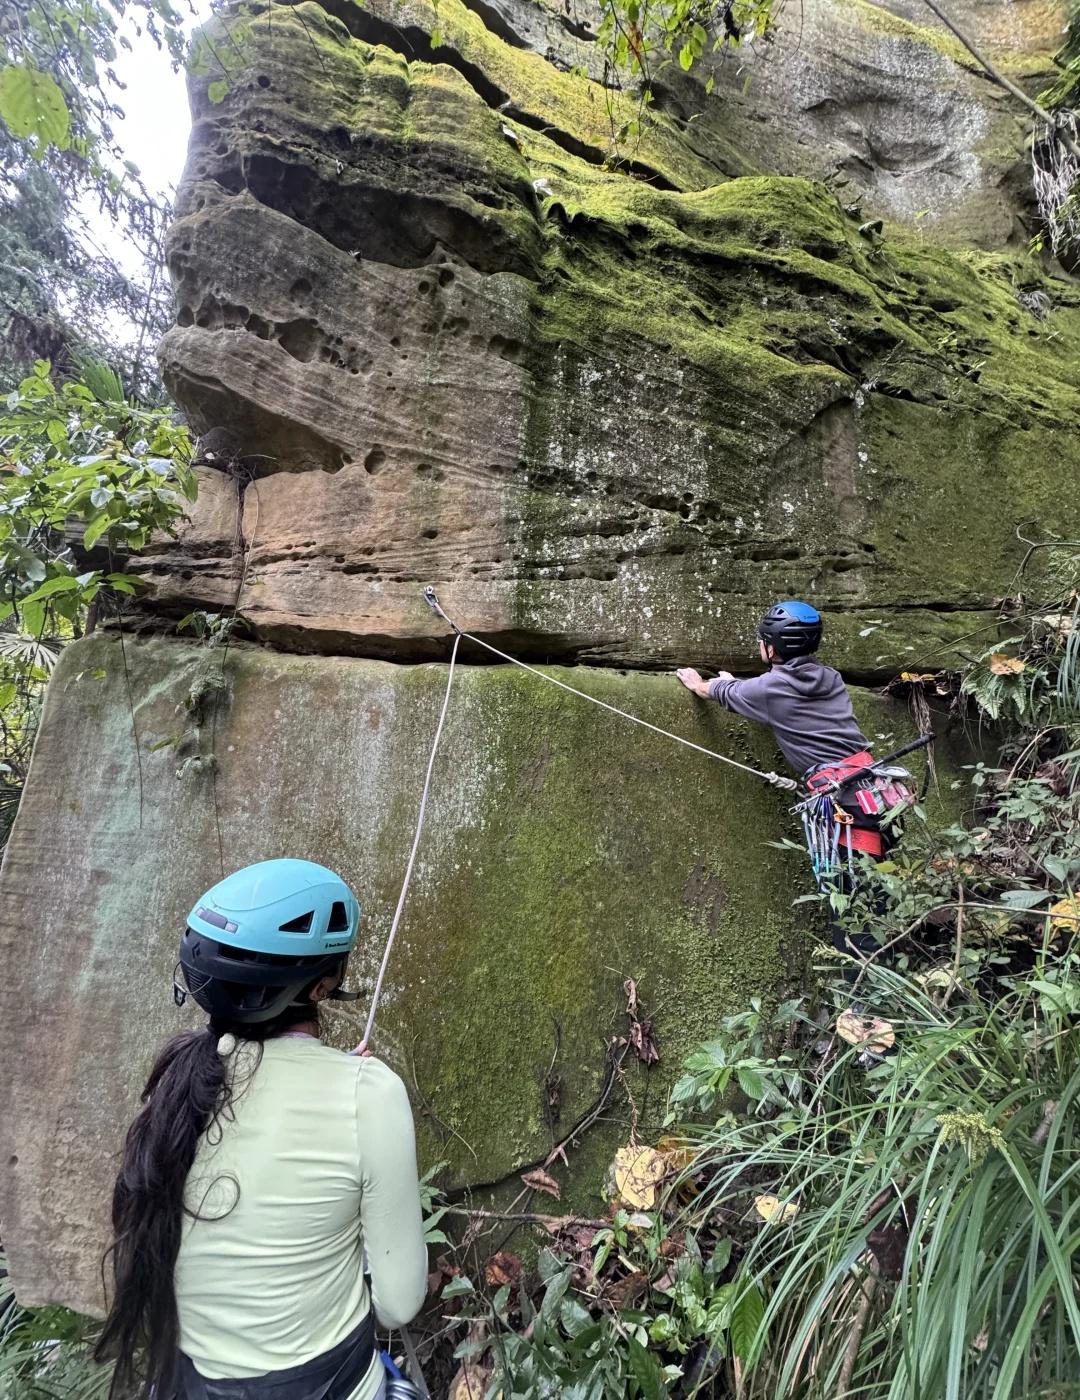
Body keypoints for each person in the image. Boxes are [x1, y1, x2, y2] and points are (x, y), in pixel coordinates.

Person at [94, 858, 428, 1400]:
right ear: (322, 986)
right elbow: (400, 1303)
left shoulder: (181, 1088)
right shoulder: (370, 1095)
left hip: (179, 1385)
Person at [676, 601, 911, 964]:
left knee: (852, 915)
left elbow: (721, 692)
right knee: (879, 904)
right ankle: (892, 996)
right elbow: (767, 691)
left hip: (845, 810)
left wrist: (700, 683)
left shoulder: (767, 689)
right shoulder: (831, 677)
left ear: (771, 648)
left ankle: (865, 1013)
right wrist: (741, 685)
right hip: (878, 797)